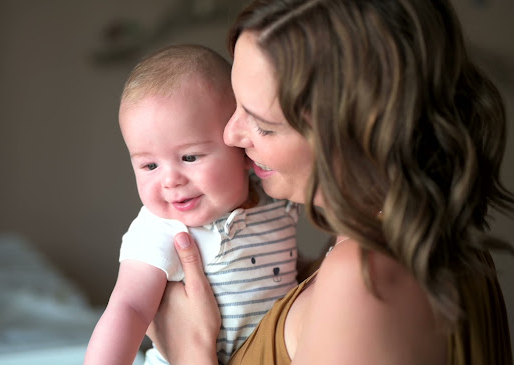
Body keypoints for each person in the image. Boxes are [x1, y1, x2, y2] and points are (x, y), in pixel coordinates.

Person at [145, 0, 514, 364]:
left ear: (355, 132)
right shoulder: (431, 237)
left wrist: (189, 352)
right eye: (236, 106)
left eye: (263, 125)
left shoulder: (366, 280)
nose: (231, 135)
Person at [84, 44, 300, 365]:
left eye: (189, 157)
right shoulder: (162, 229)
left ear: (240, 148)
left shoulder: (272, 200)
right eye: (149, 166)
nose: (170, 180)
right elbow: (129, 308)